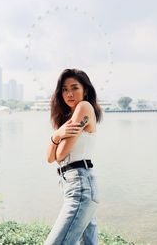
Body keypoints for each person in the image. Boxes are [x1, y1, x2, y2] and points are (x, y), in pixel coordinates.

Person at [44, 68, 102, 245]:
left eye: (74, 88)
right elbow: (49, 158)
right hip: (73, 184)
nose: (69, 93)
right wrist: (57, 134)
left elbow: (60, 154)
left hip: (80, 186)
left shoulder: (84, 108)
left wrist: (58, 137)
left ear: (85, 90)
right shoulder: (68, 119)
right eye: (64, 89)